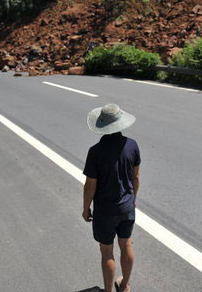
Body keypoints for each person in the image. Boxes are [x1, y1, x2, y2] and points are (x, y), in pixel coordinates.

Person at [82, 104, 140, 292]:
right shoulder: (132, 145)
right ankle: (124, 286)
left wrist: (86, 208)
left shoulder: (95, 151)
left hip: (105, 210)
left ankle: (108, 290)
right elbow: (136, 177)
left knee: (107, 252)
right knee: (126, 244)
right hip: (127, 207)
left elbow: (91, 185)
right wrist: (133, 199)